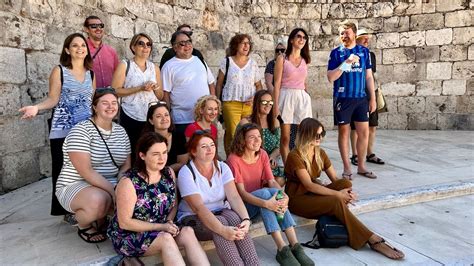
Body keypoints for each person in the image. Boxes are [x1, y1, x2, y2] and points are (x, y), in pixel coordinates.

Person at [285, 118, 405, 260]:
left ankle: (340, 210)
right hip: (297, 199)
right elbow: (309, 185)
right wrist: (338, 195)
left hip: (313, 194)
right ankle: (372, 239)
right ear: (306, 134)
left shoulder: (320, 153)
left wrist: (347, 193)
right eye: (316, 134)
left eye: (321, 134)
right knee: (336, 201)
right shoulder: (295, 155)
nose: (320, 137)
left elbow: (336, 180)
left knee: (345, 184)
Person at [19, 33, 96, 221]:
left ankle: (83, 204)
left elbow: (91, 102)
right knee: (62, 171)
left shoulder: (91, 73)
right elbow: (53, 99)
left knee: (85, 169)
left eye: (83, 45)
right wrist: (36, 107)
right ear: (67, 50)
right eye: (75, 46)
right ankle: (64, 211)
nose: (80, 48)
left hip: (85, 131)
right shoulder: (59, 71)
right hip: (63, 130)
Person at [107, 132, 209, 265]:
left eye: (164, 152)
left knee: (188, 232)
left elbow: (174, 205)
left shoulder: (168, 173)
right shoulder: (129, 182)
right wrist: (161, 227)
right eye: (156, 154)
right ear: (142, 155)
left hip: (162, 227)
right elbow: (125, 223)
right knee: (165, 238)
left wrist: (169, 222)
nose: (162, 158)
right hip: (130, 235)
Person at [227, 123, 314, 266]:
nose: (257, 140)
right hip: (243, 208)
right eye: (251, 137)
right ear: (242, 140)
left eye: (259, 137)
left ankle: (295, 245)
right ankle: (281, 248)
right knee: (265, 194)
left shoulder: (262, 154)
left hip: (262, 201)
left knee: (274, 192)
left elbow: (271, 181)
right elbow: (241, 194)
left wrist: (283, 195)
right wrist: (267, 203)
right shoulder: (234, 159)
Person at [55, 88, 131, 243]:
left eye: (114, 103)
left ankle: (103, 219)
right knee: (99, 201)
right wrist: (114, 191)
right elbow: (86, 172)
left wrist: (122, 184)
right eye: (105, 103)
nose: (110, 107)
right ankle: (82, 223)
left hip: (110, 182)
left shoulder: (121, 131)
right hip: (77, 183)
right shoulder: (81, 130)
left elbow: (125, 165)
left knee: (133, 195)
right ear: (95, 107)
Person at [177, 132, 259, 266]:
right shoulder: (186, 172)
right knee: (220, 223)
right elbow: (198, 208)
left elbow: (234, 197)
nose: (210, 149)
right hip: (193, 217)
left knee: (236, 220)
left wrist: (246, 220)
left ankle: (254, 264)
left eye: (212, 145)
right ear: (193, 151)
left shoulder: (222, 167)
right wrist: (222, 230)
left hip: (221, 211)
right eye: (204, 146)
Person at [327, 20, 377, 180]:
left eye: (346, 33)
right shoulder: (336, 53)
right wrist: (346, 62)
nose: (343, 36)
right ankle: (347, 168)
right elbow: (330, 77)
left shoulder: (364, 52)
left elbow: (369, 77)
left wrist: (372, 99)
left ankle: (361, 166)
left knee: (364, 133)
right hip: (343, 99)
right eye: (341, 33)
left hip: (361, 99)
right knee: (344, 132)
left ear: (354, 34)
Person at [161, 31, 215, 161]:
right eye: (182, 43)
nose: (187, 45)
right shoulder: (169, 66)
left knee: (205, 155)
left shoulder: (200, 61)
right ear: (174, 47)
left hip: (203, 120)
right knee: (185, 159)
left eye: (188, 42)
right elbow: (165, 94)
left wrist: (213, 107)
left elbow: (211, 83)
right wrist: (168, 116)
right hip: (181, 120)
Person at [111, 33, 164, 158]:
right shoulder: (125, 65)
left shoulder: (154, 68)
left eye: (148, 44)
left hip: (150, 117)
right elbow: (115, 90)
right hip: (130, 114)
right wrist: (140, 88)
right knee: (132, 152)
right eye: (141, 44)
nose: (145, 47)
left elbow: (160, 95)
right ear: (133, 47)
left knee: (149, 151)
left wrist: (155, 88)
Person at [215, 34, 263, 155]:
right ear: (236, 45)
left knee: (249, 133)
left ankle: (245, 159)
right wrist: (217, 102)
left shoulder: (253, 64)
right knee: (233, 133)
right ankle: (232, 159)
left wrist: (254, 98)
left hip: (249, 104)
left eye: (248, 43)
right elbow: (219, 84)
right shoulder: (227, 62)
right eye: (243, 43)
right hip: (230, 103)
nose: (246, 46)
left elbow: (259, 86)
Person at [273, 28, 312, 164]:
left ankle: (301, 164)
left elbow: (304, 81)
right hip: (286, 96)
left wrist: (307, 96)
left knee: (303, 135)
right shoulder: (282, 59)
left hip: (301, 97)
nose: (302, 39)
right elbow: (276, 83)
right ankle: (288, 167)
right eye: (299, 36)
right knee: (285, 137)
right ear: (291, 40)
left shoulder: (305, 60)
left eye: (304, 37)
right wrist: (275, 105)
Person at [349, 28, 384, 166]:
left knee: (372, 126)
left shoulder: (370, 55)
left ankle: (369, 153)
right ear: (356, 38)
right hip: (356, 93)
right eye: (364, 37)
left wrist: (373, 96)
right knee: (355, 127)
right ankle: (355, 155)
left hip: (370, 93)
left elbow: (370, 75)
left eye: (367, 38)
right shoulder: (349, 53)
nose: (366, 40)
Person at [239, 90, 285, 185]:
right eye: (264, 102)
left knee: (280, 180)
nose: (268, 105)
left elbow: (278, 146)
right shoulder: (246, 122)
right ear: (257, 103)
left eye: (270, 102)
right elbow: (240, 146)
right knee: (265, 182)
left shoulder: (275, 121)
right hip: (252, 161)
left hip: (270, 162)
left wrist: (272, 156)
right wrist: (263, 162)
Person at [142, 102, 188, 173]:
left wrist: (164, 171)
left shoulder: (179, 136)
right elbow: (142, 163)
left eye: (166, 115)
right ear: (151, 121)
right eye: (158, 116)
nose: (164, 118)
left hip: (173, 176)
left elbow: (182, 162)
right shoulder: (145, 139)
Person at [83, 15, 119, 88]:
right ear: (86, 29)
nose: (98, 28)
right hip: (89, 96)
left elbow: (117, 74)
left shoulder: (111, 51)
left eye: (101, 26)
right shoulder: (81, 50)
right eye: (94, 26)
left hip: (108, 96)